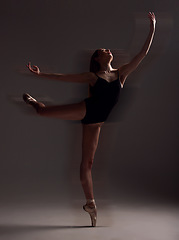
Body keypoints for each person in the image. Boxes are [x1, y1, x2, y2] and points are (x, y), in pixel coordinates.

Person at [23, 12, 156, 227]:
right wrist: (40, 75)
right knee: (42, 112)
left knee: (88, 164)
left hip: (97, 122)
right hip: (86, 111)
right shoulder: (93, 77)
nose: (107, 50)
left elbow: (143, 53)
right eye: (103, 50)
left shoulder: (122, 74)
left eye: (107, 49)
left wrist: (152, 27)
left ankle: (90, 204)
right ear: (97, 59)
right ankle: (36, 103)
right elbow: (64, 78)